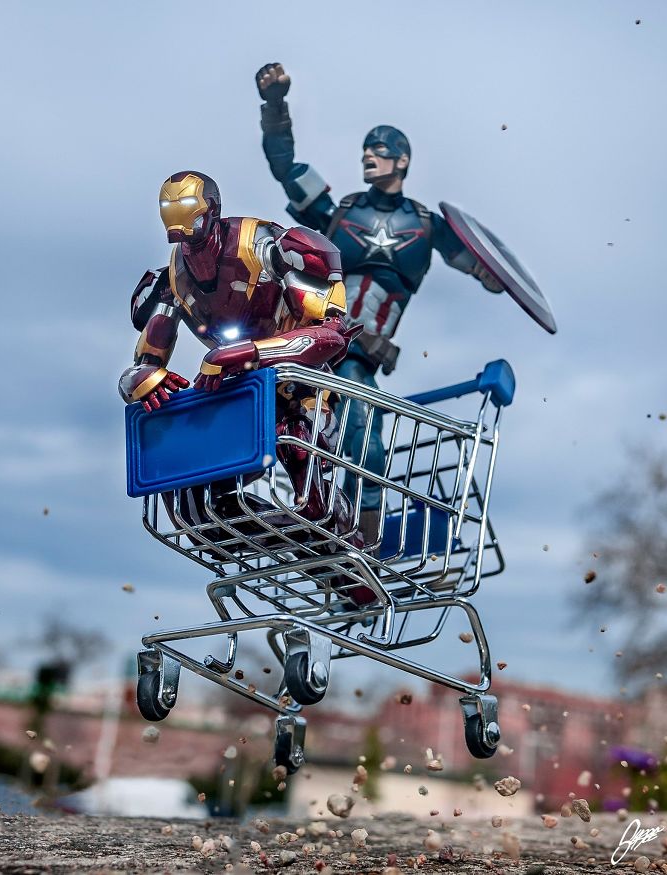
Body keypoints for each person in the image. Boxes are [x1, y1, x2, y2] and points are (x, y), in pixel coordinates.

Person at [255, 62, 509, 543]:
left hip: (358, 356)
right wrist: (275, 104)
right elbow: (286, 167)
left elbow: (487, 272)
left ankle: (360, 537)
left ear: (402, 160)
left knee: (365, 445)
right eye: (365, 151)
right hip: (316, 340)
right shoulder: (342, 211)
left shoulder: (427, 227)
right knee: (285, 422)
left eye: (379, 151)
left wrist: (496, 276)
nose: (368, 157)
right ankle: (319, 519)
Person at [119, 170, 379, 604]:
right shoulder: (172, 279)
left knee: (306, 472)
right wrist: (142, 380)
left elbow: (330, 335)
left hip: (298, 387)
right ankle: (304, 548)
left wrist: (247, 353)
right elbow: (143, 364)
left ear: (210, 210)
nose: (178, 220)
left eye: (187, 209)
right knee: (196, 515)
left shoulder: (268, 248)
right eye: (170, 209)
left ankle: (349, 554)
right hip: (237, 399)